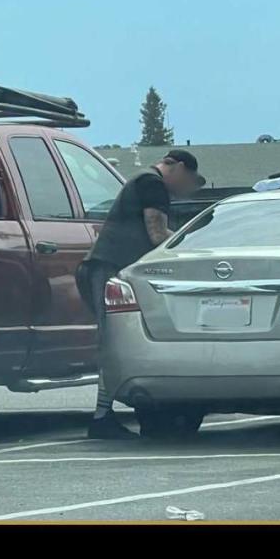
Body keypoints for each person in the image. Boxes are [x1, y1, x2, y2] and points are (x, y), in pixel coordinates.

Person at [80, 149, 203, 439]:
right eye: (189, 181)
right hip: (110, 269)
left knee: (116, 340)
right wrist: (188, 249)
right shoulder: (153, 184)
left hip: (107, 268)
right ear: (180, 168)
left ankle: (105, 415)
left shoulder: (142, 181)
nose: (186, 189)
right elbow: (157, 235)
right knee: (112, 341)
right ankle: (101, 418)